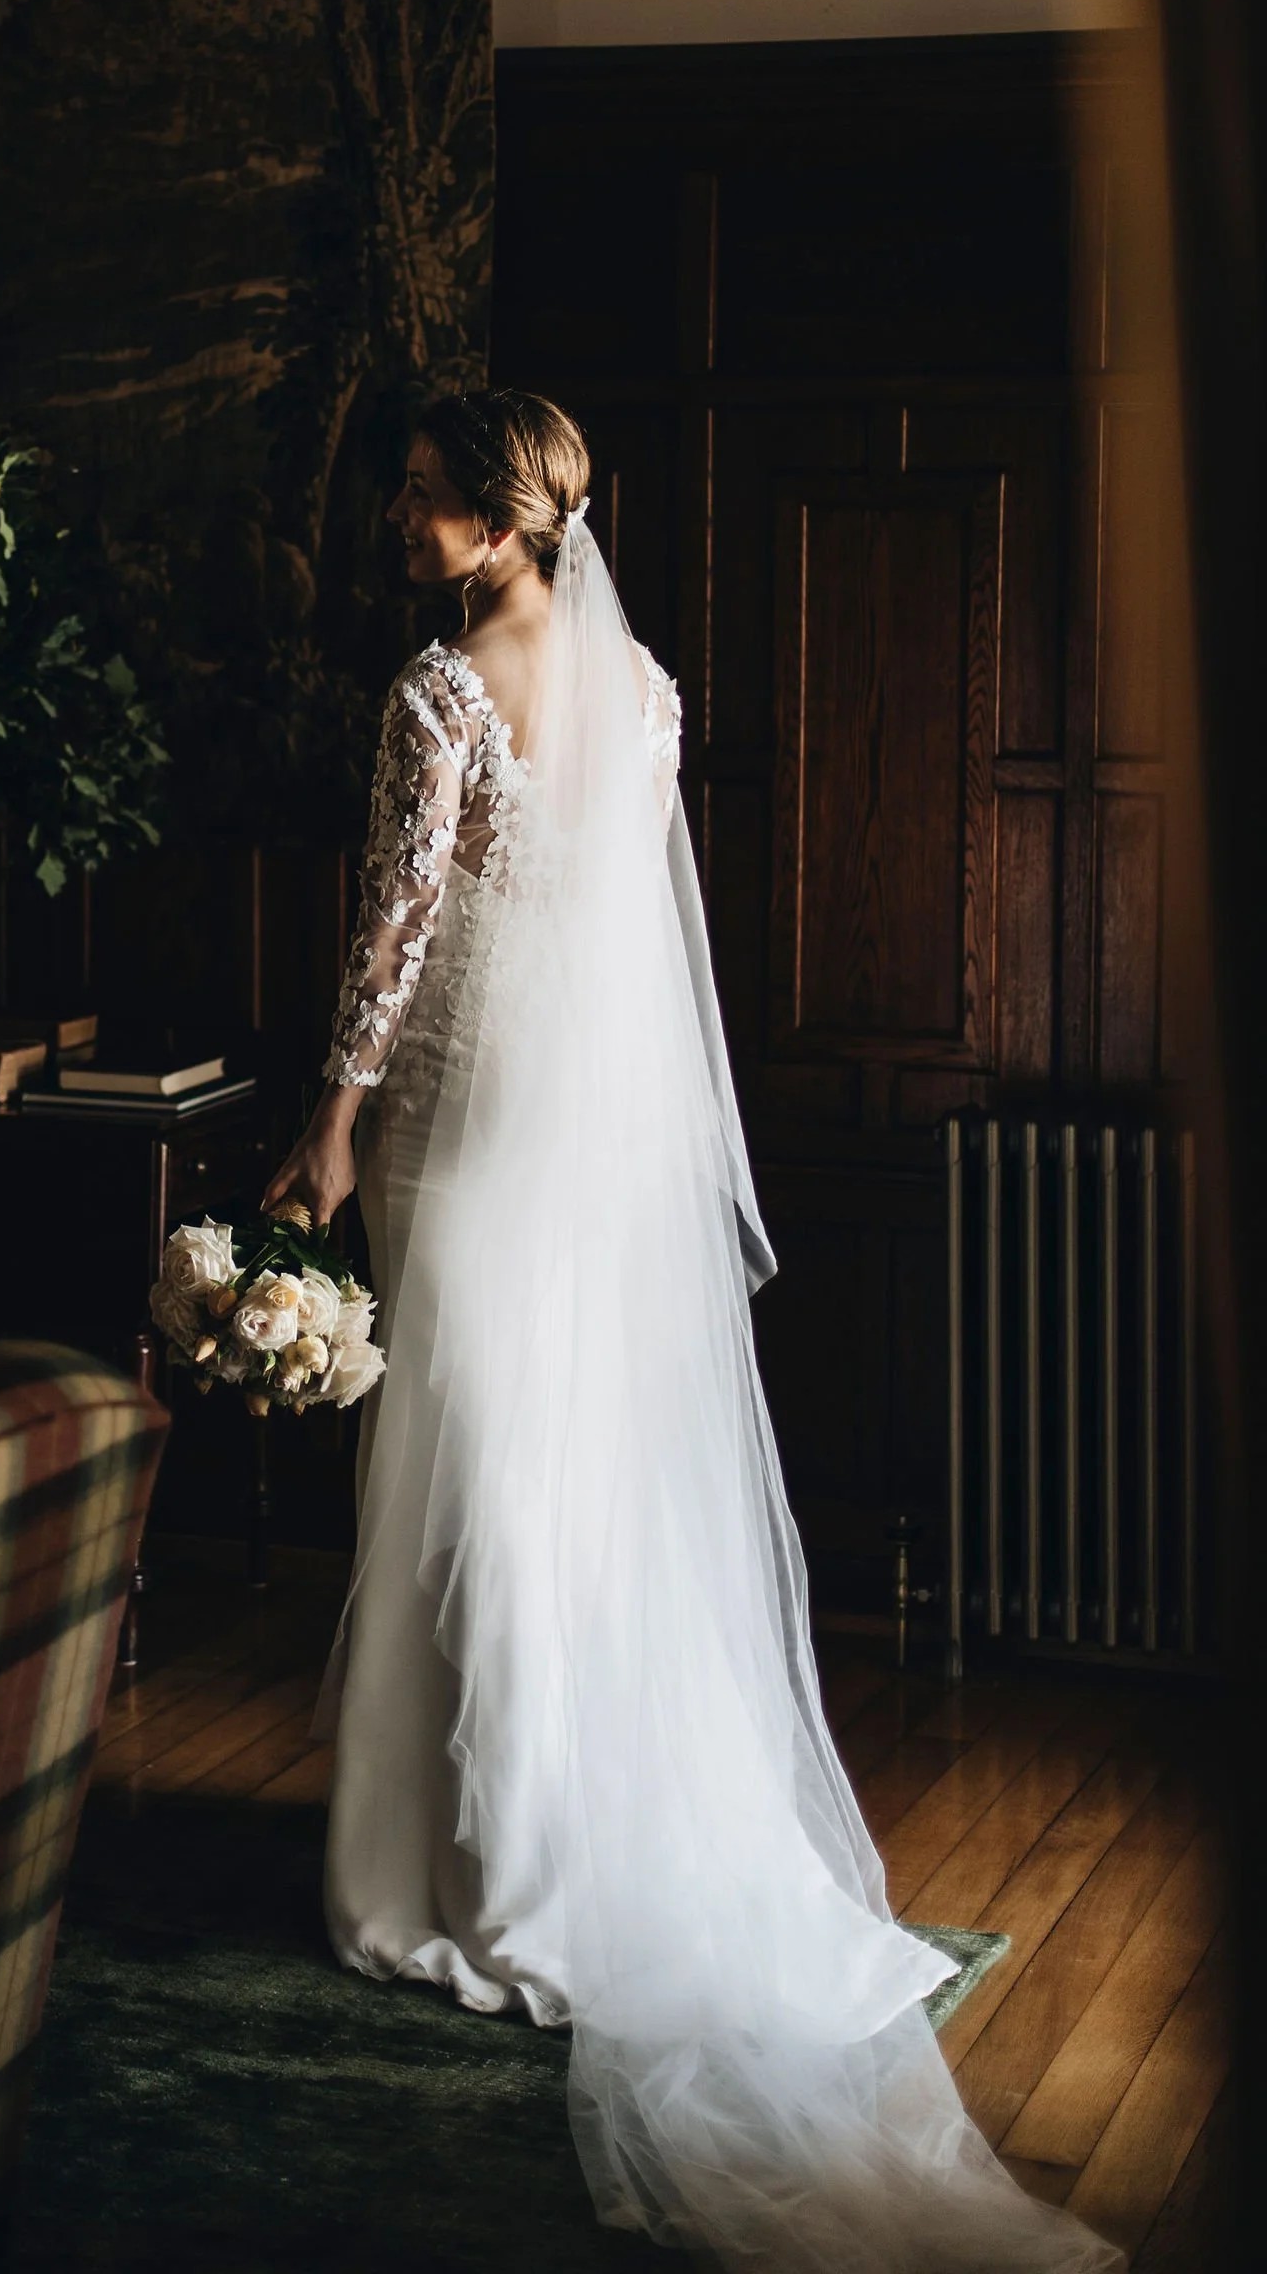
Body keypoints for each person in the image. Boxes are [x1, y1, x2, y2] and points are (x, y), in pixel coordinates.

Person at [264, 388, 1120, 2273]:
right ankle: (551, 1838)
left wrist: (330, 1116)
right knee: (558, 1456)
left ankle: (478, 1875)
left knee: (465, 1454)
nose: (397, 517)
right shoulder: (638, 693)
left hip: (474, 1108)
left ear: (502, 523)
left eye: (424, 496)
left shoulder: (433, 699)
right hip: (597, 1122)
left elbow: (396, 928)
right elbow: (642, 921)